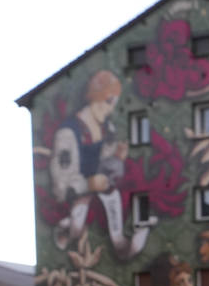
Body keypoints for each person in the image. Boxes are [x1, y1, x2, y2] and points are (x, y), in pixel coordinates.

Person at [49, 70, 152, 260]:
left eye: (114, 103)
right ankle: (67, 228)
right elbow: (61, 184)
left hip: (100, 187)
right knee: (77, 228)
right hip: (79, 191)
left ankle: (119, 242)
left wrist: (117, 157)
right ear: (95, 97)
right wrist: (88, 184)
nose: (111, 108)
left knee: (111, 193)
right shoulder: (68, 133)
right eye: (109, 101)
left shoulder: (107, 128)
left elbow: (104, 161)